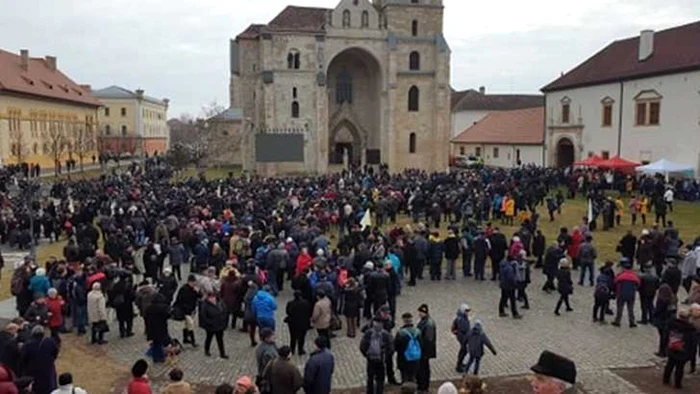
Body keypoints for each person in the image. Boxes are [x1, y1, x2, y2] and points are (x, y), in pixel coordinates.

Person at [19, 325, 59, 394]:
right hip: (48, 370)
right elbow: (55, 353)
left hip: (32, 371)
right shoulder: (50, 342)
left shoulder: (28, 345)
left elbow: (23, 359)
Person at [360, 317, 394, 394]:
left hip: (371, 359)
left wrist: (366, 355)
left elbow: (362, 346)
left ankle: (370, 392)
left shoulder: (368, 333)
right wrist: (386, 357)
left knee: (370, 378)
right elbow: (391, 348)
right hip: (381, 359)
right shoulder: (385, 334)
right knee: (380, 379)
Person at [662, 309, 695, 389]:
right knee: (680, 368)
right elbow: (692, 343)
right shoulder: (689, 329)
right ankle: (677, 384)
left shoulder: (671, 324)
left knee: (670, 364)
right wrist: (691, 354)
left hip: (672, 348)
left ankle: (665, 379)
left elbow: (666, 336)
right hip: (683, 351)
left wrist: (665, 346)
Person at [199, 292, 229, 359]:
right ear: (208, 298)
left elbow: (225, 310)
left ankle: (222, 353)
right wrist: (210, 322)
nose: (212, 299)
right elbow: (203, 316)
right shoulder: (205, 305)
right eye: (211, 298)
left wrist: (224, 320)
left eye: (213, 297)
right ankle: (207, 350)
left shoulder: (220, 303)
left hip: (220, 325)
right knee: (209, 338)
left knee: (220, 340)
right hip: (211, 326)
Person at [393, 313, 421, 384]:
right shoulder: (418, 331)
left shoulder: (400, 333)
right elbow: (422, 345)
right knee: (413, 376)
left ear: (404, 321)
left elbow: (395, 347)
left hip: (404, 359)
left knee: (405, 378)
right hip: (415, 358)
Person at [612, 259, 641, 328]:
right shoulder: (635, 276)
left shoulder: (621, 275)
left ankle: (617, 321)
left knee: (620, 308)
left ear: (624, 268)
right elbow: (638, 284)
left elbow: (615, 282)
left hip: (621, 294)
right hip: (631, 295)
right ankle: (632, 322)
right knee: (630, 309)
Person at [173, 275, 200, 347]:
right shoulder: (184, 289)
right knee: (190, 324)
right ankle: (193, 341)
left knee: (186, 325)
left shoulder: (194, 289)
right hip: (185, 310)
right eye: (193, 282)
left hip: (191, 310)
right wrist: (186, 310)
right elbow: (180, 300)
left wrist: (197, 292)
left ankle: (185, 338)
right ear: (189, 282)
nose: (194, 284)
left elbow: (199, 296)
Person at [653, 283, 678, 357]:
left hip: (662, 320)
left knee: (662, 337)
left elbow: (658, 310)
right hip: (671, 319)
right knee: (667, 337)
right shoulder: (674, 298)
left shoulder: (661, 299)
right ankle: (667, 351)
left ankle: (662, 352)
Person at [145, 293, 171, 363]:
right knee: (160, 343)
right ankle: (161, 358)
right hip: (161, 328)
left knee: (156, 343)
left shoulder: (149, 308)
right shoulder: (163, 308)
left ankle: (156, 358)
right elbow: (168, 315)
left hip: (151, 328)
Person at [415, 304, 435, 393]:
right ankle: (422, 386)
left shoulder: (429, 323)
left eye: (421, 312)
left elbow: (428, 339)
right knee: (422, 369)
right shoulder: (424, 321)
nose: (419, 314)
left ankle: (423, 387)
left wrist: (420, 347)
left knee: (424, 369)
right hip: (423, 350)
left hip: (424, 351)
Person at [286, 290, 311, 355]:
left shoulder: (290, 303)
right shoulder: (306, 303)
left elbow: (288, 312)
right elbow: (309, 312)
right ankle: (300, 350)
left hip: (292, 322)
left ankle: (292, 349)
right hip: (303, 322)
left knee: (293, 337)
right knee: (302, 337)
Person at [451, 304, 471, 373]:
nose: (467, 312)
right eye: (466, 311)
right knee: (463, 351)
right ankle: (458, 366)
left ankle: (460, 364)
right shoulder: (461, 319)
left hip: (463, 336)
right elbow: (464, 329)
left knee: (463, 351)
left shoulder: (462, 317)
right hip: (463, 337)